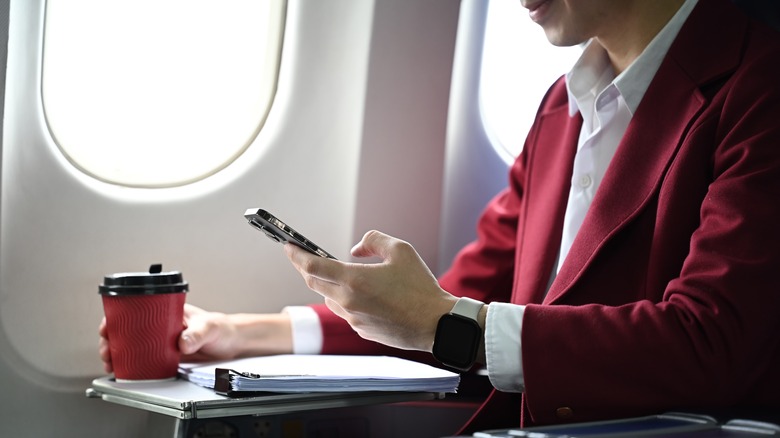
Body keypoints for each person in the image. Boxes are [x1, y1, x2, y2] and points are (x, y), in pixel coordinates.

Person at [99, 0, 780, 431]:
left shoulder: (758, 89)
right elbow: (451, 305)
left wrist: (445, 323)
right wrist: (242, 335)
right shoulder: (561, 108)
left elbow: (709, 343)